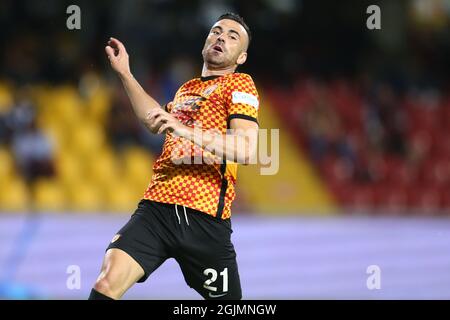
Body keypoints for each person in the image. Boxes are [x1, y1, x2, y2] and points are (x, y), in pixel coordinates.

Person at [89, 13, 259, 300]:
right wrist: (126, 74)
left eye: (232, 36)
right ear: (206, 40)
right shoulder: (187, 89)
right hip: (156, 209)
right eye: (216, 31)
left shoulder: (239, 85)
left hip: (204, 220)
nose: (221, 37)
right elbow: (154, 120)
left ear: (241, 57)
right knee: (106, 283)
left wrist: (185, 130)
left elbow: (245, 149)